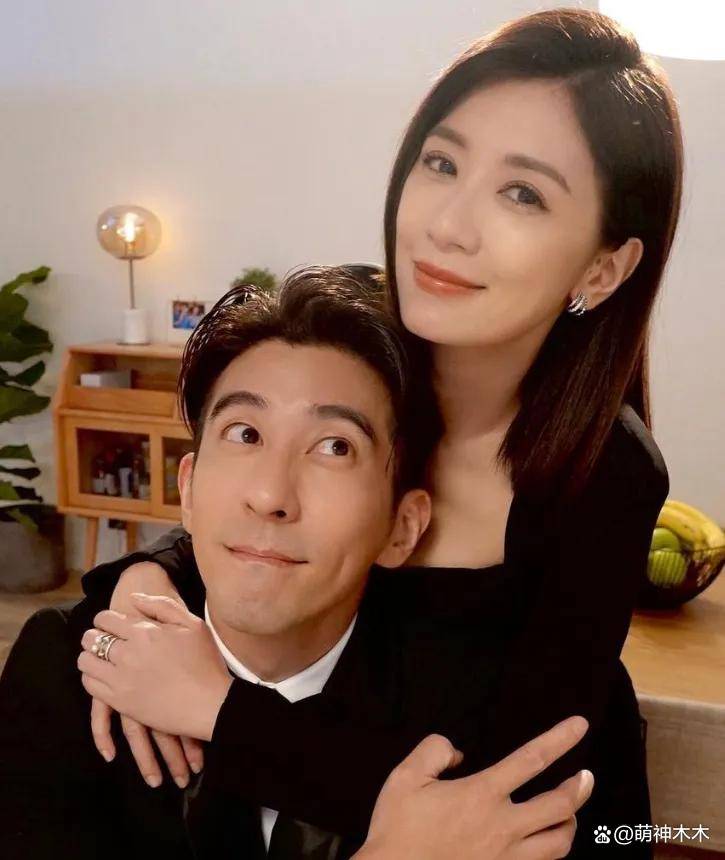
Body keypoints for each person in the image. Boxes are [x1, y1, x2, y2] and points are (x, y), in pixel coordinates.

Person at [79, 6, 680, 857]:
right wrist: (146, 577)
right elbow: (259, 503)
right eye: (441, 163)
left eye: (522, 193)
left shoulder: (606, 471)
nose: (446, 225)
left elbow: (494, 803)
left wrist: (217, 710)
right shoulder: (361, 349)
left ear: (602, 266)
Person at [0, 268, 594, 860]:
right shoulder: (67, 667)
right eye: (244, 433)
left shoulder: (494, 705)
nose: (269, 496)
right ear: (188, 488)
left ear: (402, 527)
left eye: (335, 447)